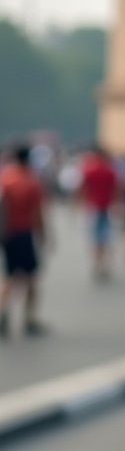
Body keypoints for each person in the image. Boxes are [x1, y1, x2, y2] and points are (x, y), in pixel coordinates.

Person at [0, 143, 48, 337]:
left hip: (7, 235)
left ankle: (3, 314)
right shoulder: (30, 182)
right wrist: (44, 235)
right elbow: (37, 213)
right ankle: (29, 320)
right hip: (24, 233)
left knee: (9, 277)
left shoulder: (5, 179)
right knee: (31, 279)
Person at [79, 144, 119, 281]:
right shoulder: (110, 171)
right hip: (107, 207)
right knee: (106, 238)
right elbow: (117, 190)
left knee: (94, 238)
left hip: (93, 207)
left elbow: (83, 188)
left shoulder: (89, 170)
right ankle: (104, 265)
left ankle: (97, 264)